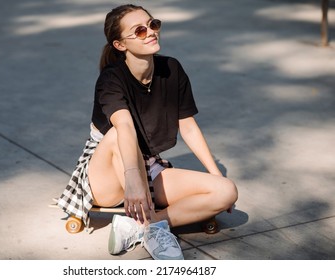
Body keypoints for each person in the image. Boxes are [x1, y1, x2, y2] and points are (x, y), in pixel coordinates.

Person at [58, 4, 238, 260]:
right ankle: (153, 232)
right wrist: (133, 179)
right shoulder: (112, 79)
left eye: (153, 25)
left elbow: (187, 125)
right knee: (117, 136)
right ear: (120, 45)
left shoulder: (171, 69)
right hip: (105, 174)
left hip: (147, 165)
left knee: (226, 190)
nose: (151, 32)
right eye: (139, 31)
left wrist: (216, 174)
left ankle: (143, 225)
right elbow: (124, 128)